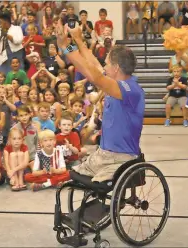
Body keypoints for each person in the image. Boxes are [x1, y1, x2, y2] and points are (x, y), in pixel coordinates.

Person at [55, 19, 145, 182]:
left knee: (94, 184)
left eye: (107, 64)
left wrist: (64, 46)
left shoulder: (130, 89)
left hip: (120, 158)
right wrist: (77, 40)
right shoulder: (115, 83)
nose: (104, 66)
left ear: (116, 68)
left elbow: (94, 74)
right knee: (70, 177)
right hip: (102, 154)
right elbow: (92, 63)